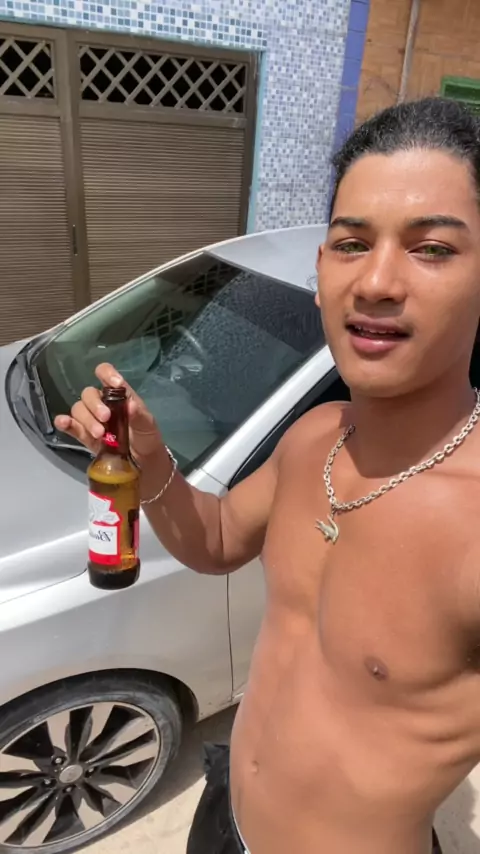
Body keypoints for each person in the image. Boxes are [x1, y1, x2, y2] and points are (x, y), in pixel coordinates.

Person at [54, 96, 480, 854]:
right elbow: (215, 541)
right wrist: (151, 461)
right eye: (351, 243)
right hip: (222, 820)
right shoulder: (316, 436)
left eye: (432, 248)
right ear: (322, 272)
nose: (376, 281)